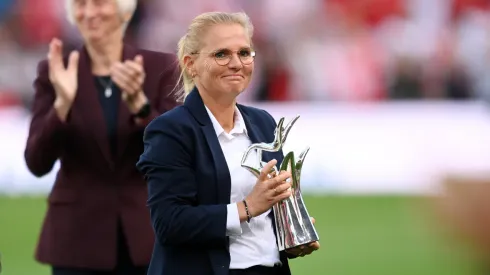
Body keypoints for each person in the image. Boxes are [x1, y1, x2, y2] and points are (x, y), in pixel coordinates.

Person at [136, 12, 320, 275]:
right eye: (221, 54)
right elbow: (169, 223)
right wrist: (247, 208)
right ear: (191, 64)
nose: (236, 63)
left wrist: (291, 237)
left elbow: (270, 214)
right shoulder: (170, 130)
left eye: (245, 53)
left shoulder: (263, 122)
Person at [23, 0, 180, 274]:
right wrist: (62, 105)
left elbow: (178, 155)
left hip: (145, 237)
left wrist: (141, 108)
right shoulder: (54, 71)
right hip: (76, 243)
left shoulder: (161, 68)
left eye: (100, 3)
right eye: (81, 4)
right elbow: (37, 162)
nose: (90, 12)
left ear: (125, 11)